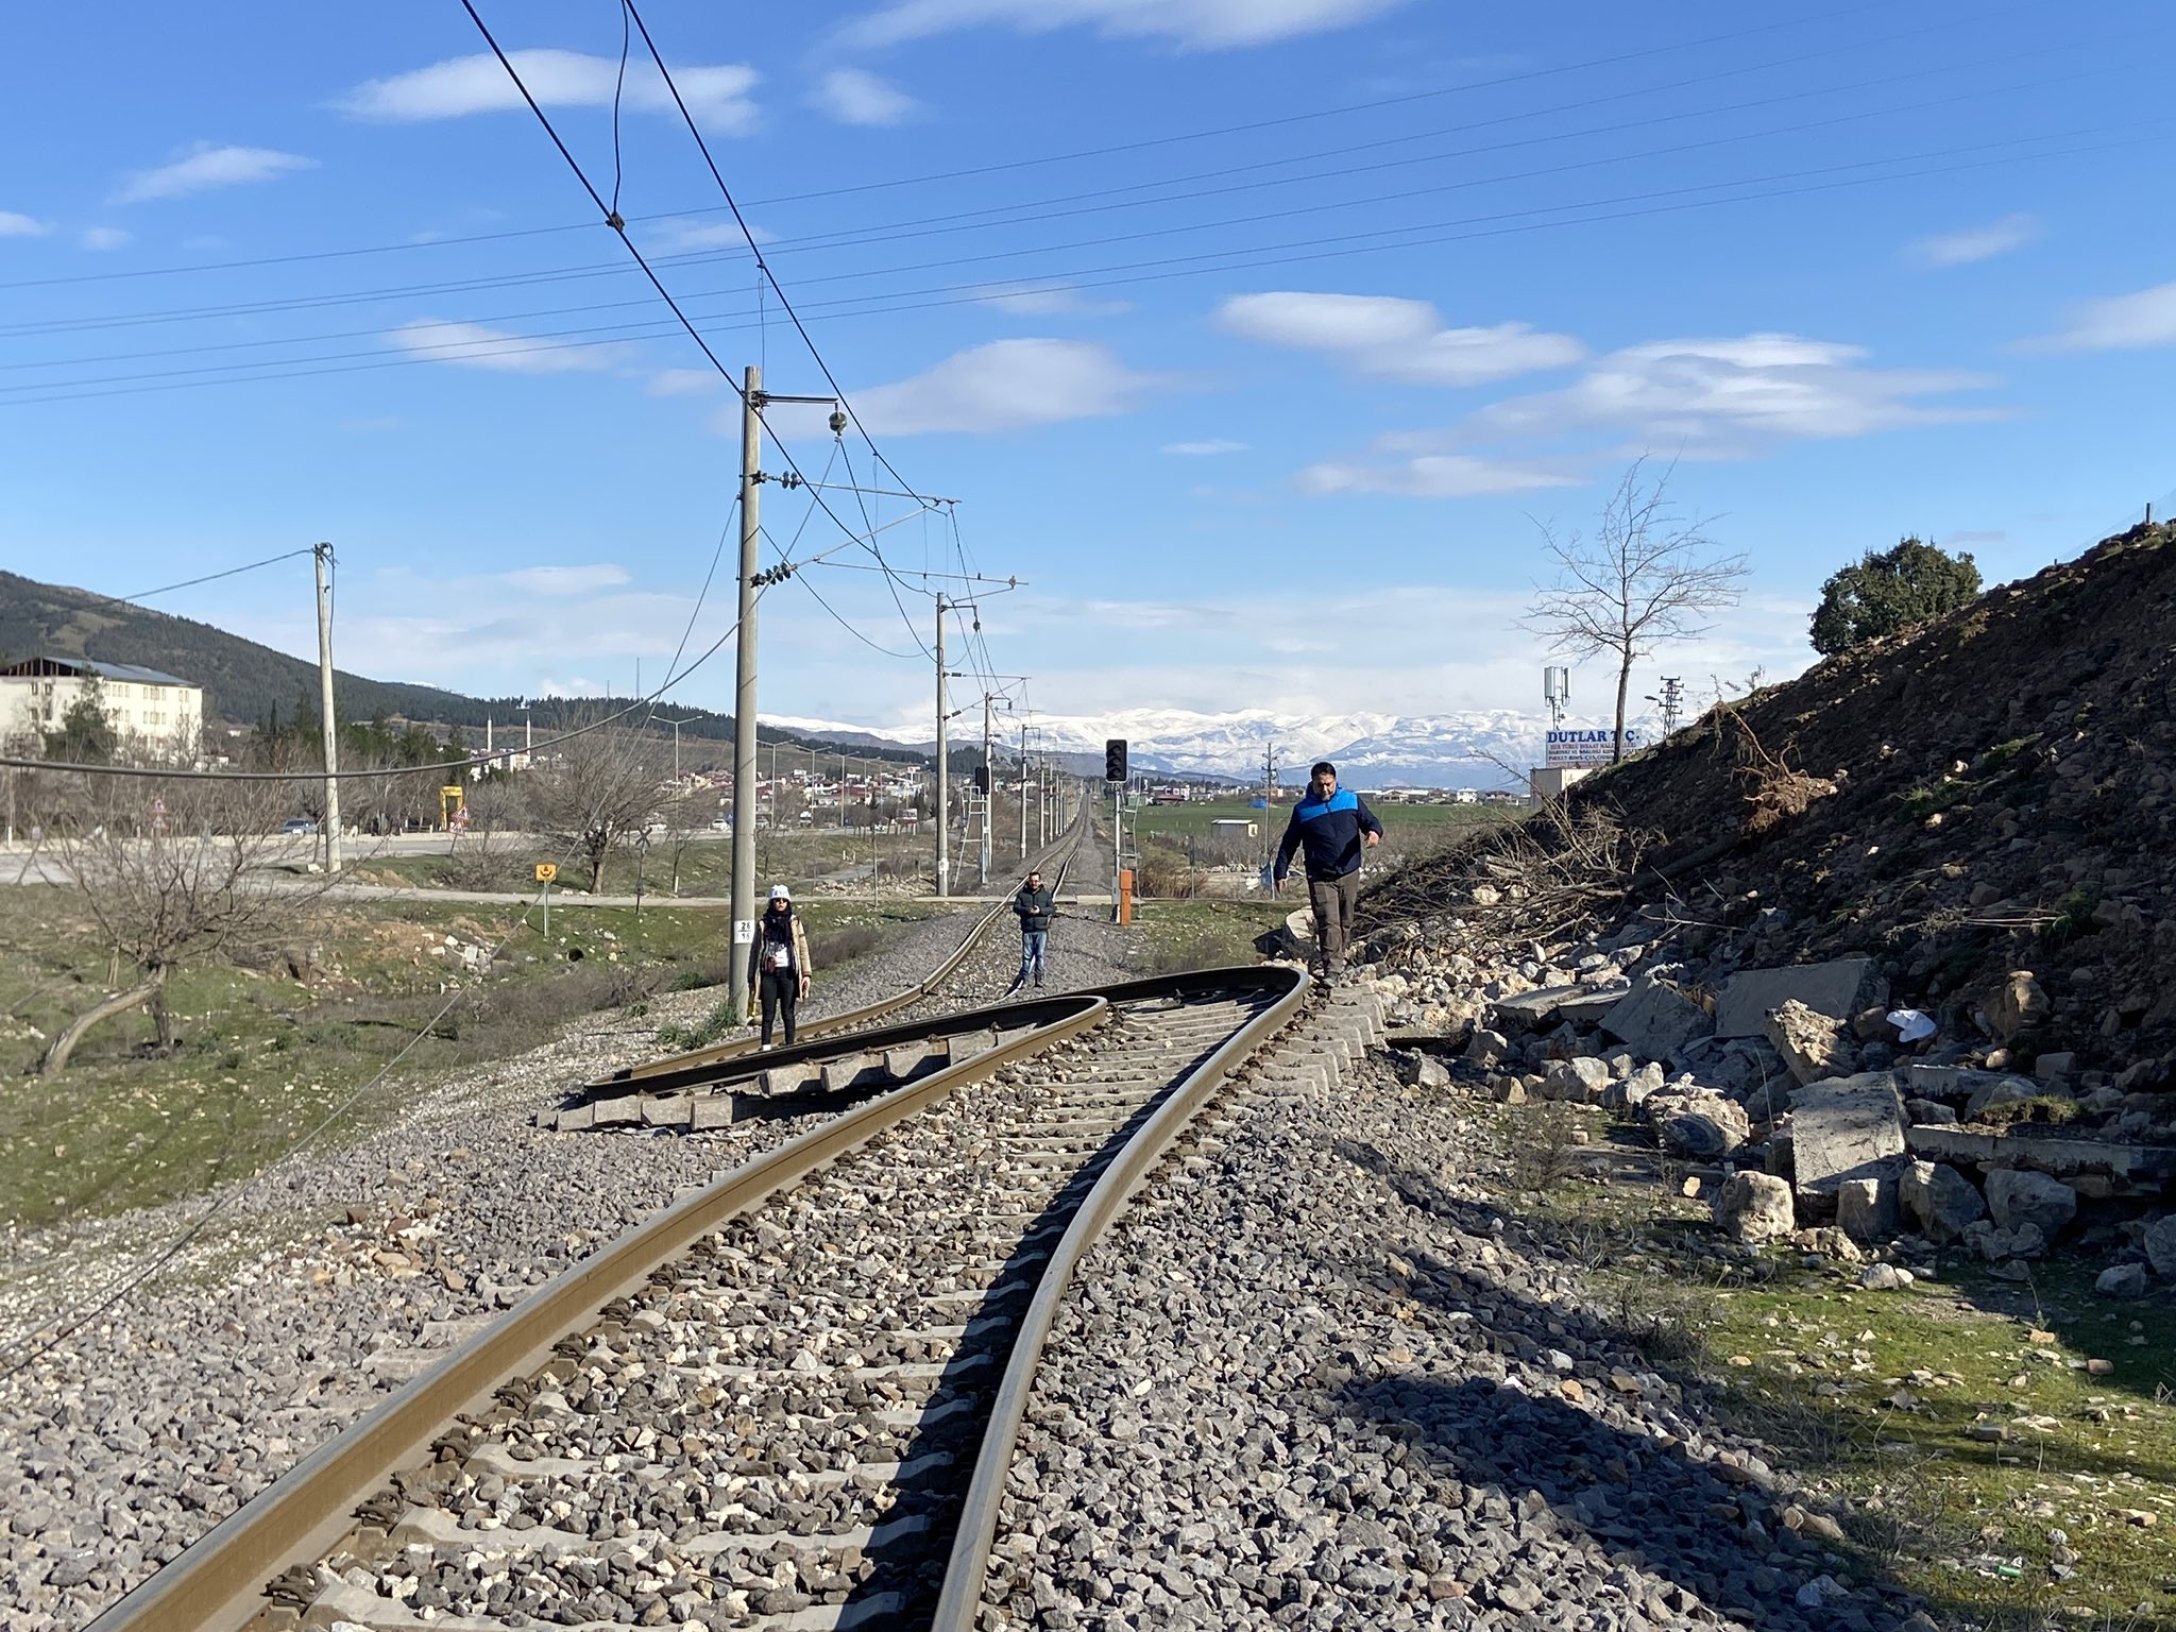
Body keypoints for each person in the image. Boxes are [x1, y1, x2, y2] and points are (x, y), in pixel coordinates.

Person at [1271, 761, 1383, 982]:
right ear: (1312, 783)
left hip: (1349, 871)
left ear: (1335, 781)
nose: (1325, 790)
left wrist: (1373, 833)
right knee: (1328, 921)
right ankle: (1332, 968)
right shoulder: (1303, 811)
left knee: (1345, 919)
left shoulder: (1351, 800)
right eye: (1320, 785)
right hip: (1320, 875)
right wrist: (1280, 871)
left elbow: (1371, 821)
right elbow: (1289, 843)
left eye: (1329, 785)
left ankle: (1340, 955)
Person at [748, 884, 812, 1049]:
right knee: (768, 1014)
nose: (781, 903)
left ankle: (790, 1045)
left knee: (788, 1012)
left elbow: (803, 949)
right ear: (772, 902)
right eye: (777, 900)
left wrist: (806, 974)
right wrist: (751, 978)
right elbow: (755, 951)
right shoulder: (763, 924)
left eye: (784, 900)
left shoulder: (795, 922)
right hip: (768, 974)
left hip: (789, 973)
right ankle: (766, 1047)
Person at [1008, 868, 1056, 993]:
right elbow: (1016, 907)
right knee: (1027, 956)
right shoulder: (1022, 894)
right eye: (1032, 881)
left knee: (1040, 955)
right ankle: (1024, 979)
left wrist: (1040, 911)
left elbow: (1051, 908)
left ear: (1040, 882)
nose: (1034, 883)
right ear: (1029, 882)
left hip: (1041, 930)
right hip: (1027, 930)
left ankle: (1038, 979)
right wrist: (1027, 910)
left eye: (1036, 881)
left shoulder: (1045, 895)